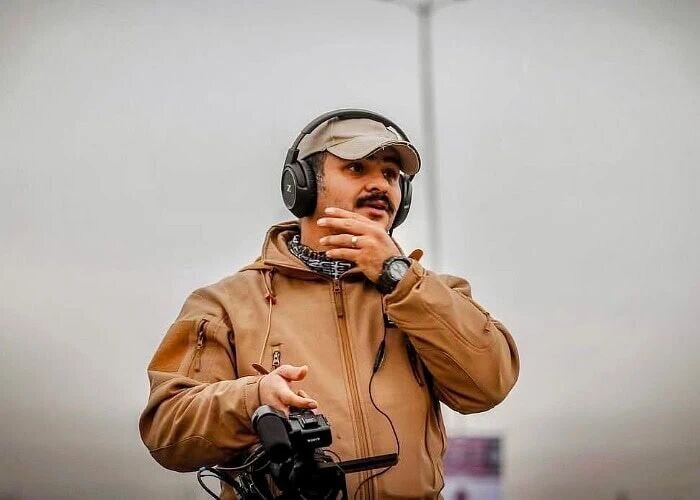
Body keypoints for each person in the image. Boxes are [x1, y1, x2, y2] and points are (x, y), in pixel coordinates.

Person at [139, 109, 519, 499]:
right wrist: (253, 398)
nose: (380, 185)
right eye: (356, 168)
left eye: (391, 175)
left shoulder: (430, 293)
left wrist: (398, 277)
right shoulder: (226, 304)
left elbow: (488, 384)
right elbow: (167, 429)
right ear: (302, 185)